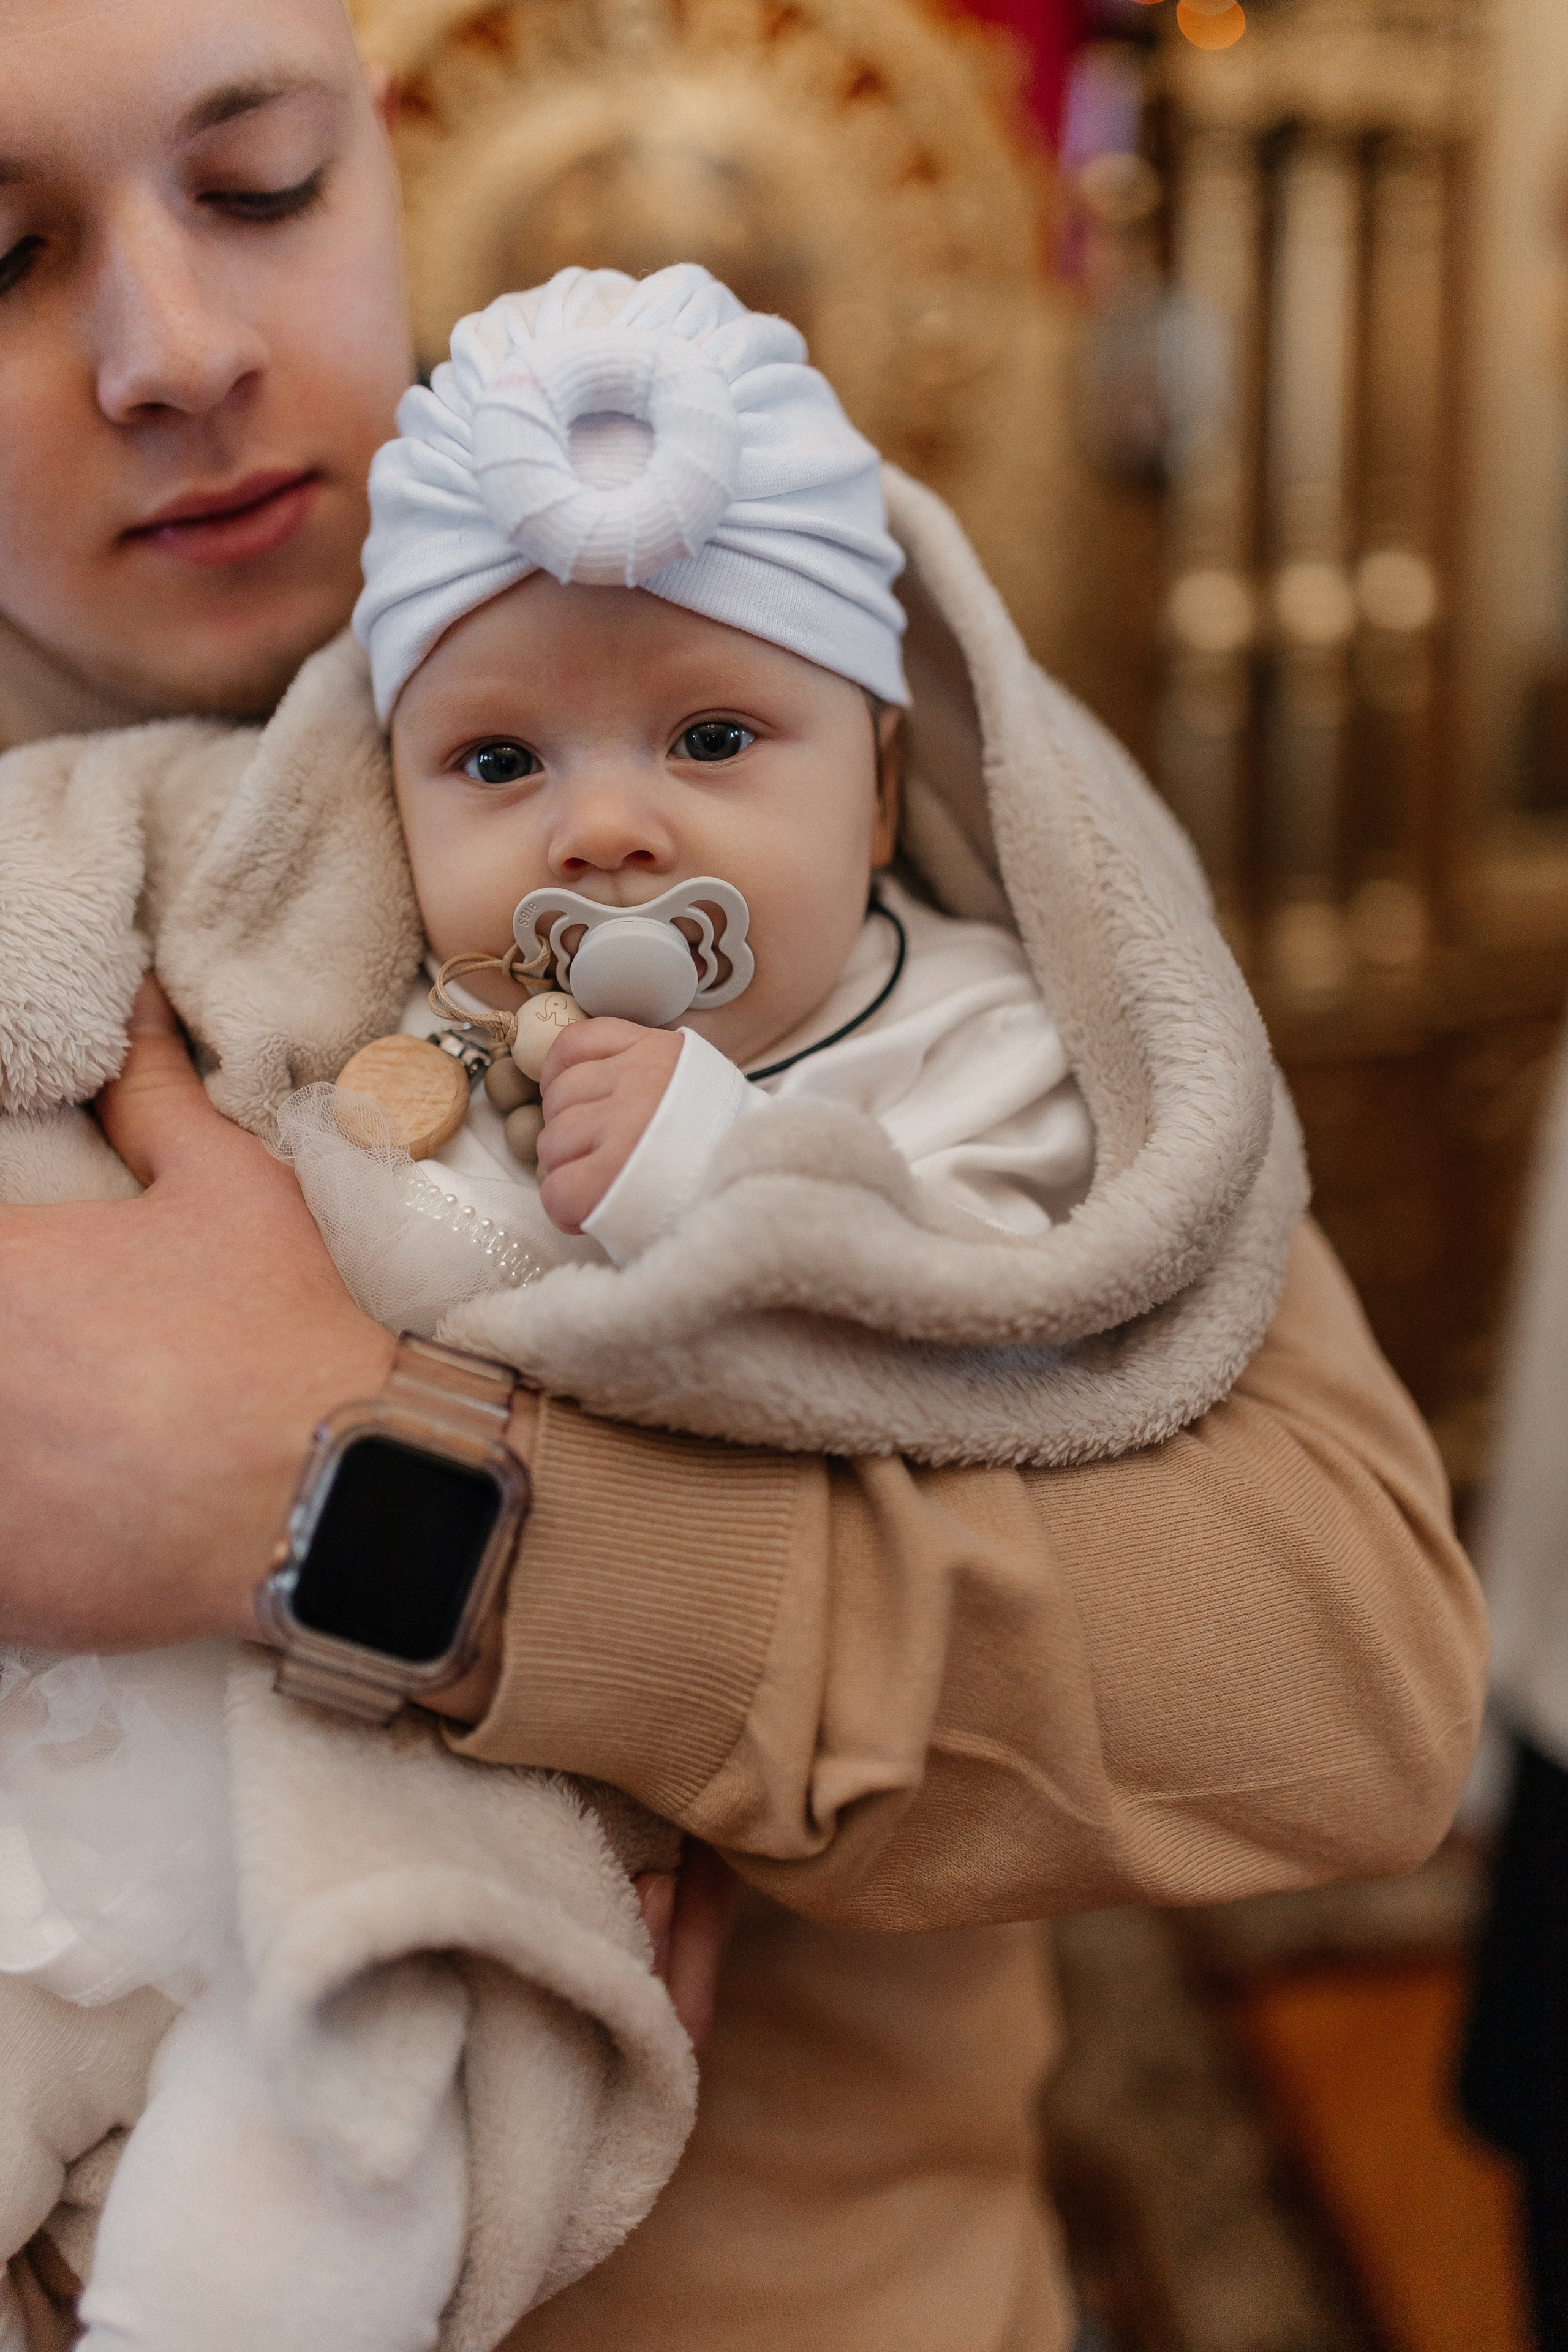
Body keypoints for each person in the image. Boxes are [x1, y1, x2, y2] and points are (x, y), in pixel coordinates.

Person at [0, 6, 1488, 2349]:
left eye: (265, 186)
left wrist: (363, 1506)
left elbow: (1349, 1680)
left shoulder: (802, 669)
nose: (173, 350)